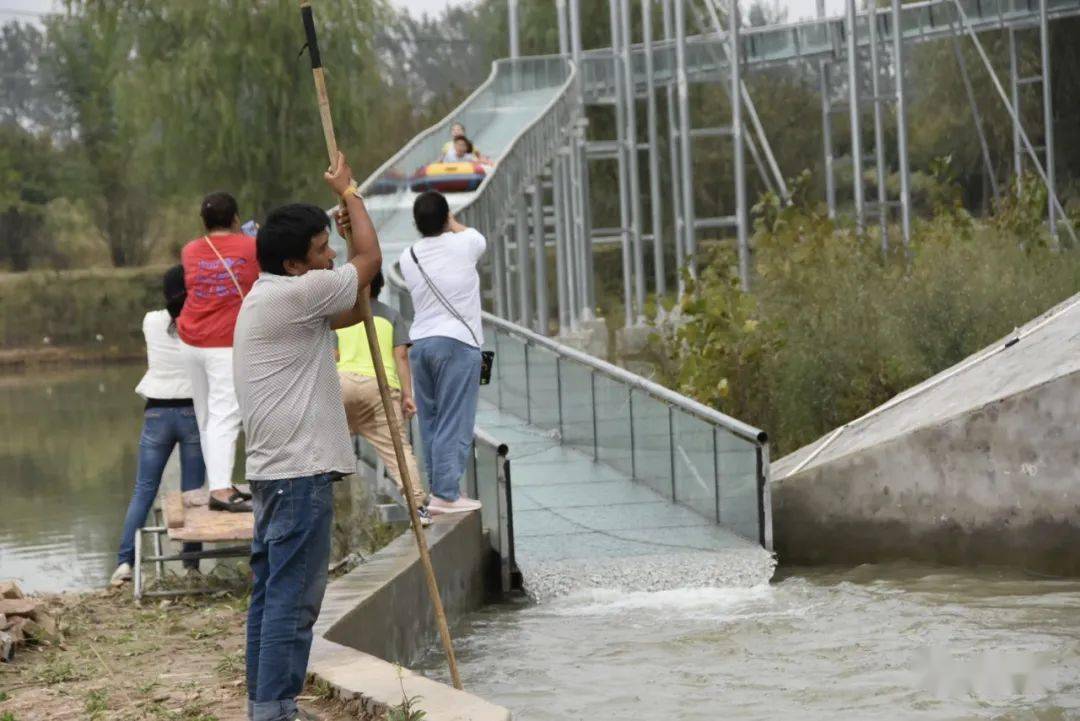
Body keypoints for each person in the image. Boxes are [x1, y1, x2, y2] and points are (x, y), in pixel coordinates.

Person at [234, 150, 381, 721]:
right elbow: (370, 260)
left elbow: (359, 297)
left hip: (279, 474)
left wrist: (345, 241)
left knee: (273, 597)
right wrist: (350, 194)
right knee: (292, 603)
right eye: (321, 250)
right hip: (298, 474)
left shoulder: (277, 298)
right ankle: (274, 710)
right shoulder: (294, 297)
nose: (329, 257)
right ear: (295, 264)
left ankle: (263, 704)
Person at [111, 266, 204, 586]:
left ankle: (125, 563)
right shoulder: (203, 321)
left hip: (157, 414)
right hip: (193, 412)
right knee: (193, 493)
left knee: (143, 491)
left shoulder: (151, 321)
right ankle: (192, 566)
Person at [398, 190, 485, 516]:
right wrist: (451, 221)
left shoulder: (408, 256)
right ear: (447, 216)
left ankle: (440, 490)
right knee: (455, 418)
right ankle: (447, 493)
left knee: (432, 420)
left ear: (416, 223)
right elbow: (473, 236)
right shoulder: (467, 242)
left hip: (420, 343)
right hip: (459, 343)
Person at [177, 191, 259, 513]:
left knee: (207, 416)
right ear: (236, 219)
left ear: (203, 222)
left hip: (190, 339)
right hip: (224, 341)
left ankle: (217, 482)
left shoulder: (190, 250)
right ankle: (222, 489)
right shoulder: (252, 247)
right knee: (226, 414)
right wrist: (253, 237)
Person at [336, 271, 431, 526]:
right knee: (397, 450)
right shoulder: (391, 315)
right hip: (380, 387)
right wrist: (407, 395)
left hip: (342, 384)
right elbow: (401, 356)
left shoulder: (341, 316)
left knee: (324, 447)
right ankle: (418, 507)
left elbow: (333, 354)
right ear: (380, 286)